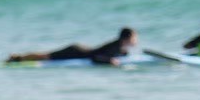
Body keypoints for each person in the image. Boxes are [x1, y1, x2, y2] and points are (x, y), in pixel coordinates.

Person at [8, 26, 140, 66]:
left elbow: (113, 53)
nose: (136, 40)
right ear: (127, 38)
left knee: (47, 56)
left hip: (80, 50)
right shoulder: (116, 45)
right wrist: (110, 61)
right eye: (134, 37)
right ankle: (18, 58)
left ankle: (19, 57)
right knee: (47, 56)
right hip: (76, 51)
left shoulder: (119, 46)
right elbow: (95, 57)